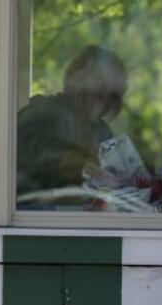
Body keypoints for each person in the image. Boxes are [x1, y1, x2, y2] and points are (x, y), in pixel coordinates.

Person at [15, 44, 128, 203]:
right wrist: (96, 167)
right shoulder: (41, 113)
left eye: (114, 95)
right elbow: (50, 160)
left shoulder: (102, 131)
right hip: (32, 219)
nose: (105, 99)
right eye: (99, 87)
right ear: (74, 79)